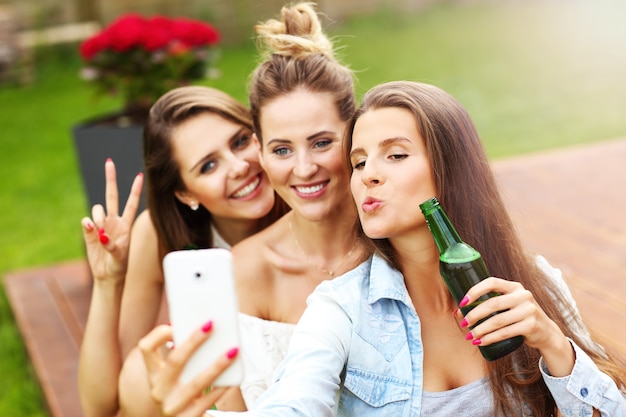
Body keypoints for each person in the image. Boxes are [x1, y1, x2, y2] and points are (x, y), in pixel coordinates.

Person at [139, 81, 626, 417]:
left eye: (395, 155)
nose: (368, 172)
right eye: (359, 160)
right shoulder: (341, 310)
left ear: (450, 168)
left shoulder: (533, 286)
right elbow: (297, 400)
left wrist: (554, 345)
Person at [78, 85, 287, 417]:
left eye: (240, 141)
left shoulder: (305, 199)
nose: (238, 167)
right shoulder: (157, 232)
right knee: (139, 374)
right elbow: (100, 406)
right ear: (185, 193)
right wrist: (108, 281)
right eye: (208, 166)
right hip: (226, 385)